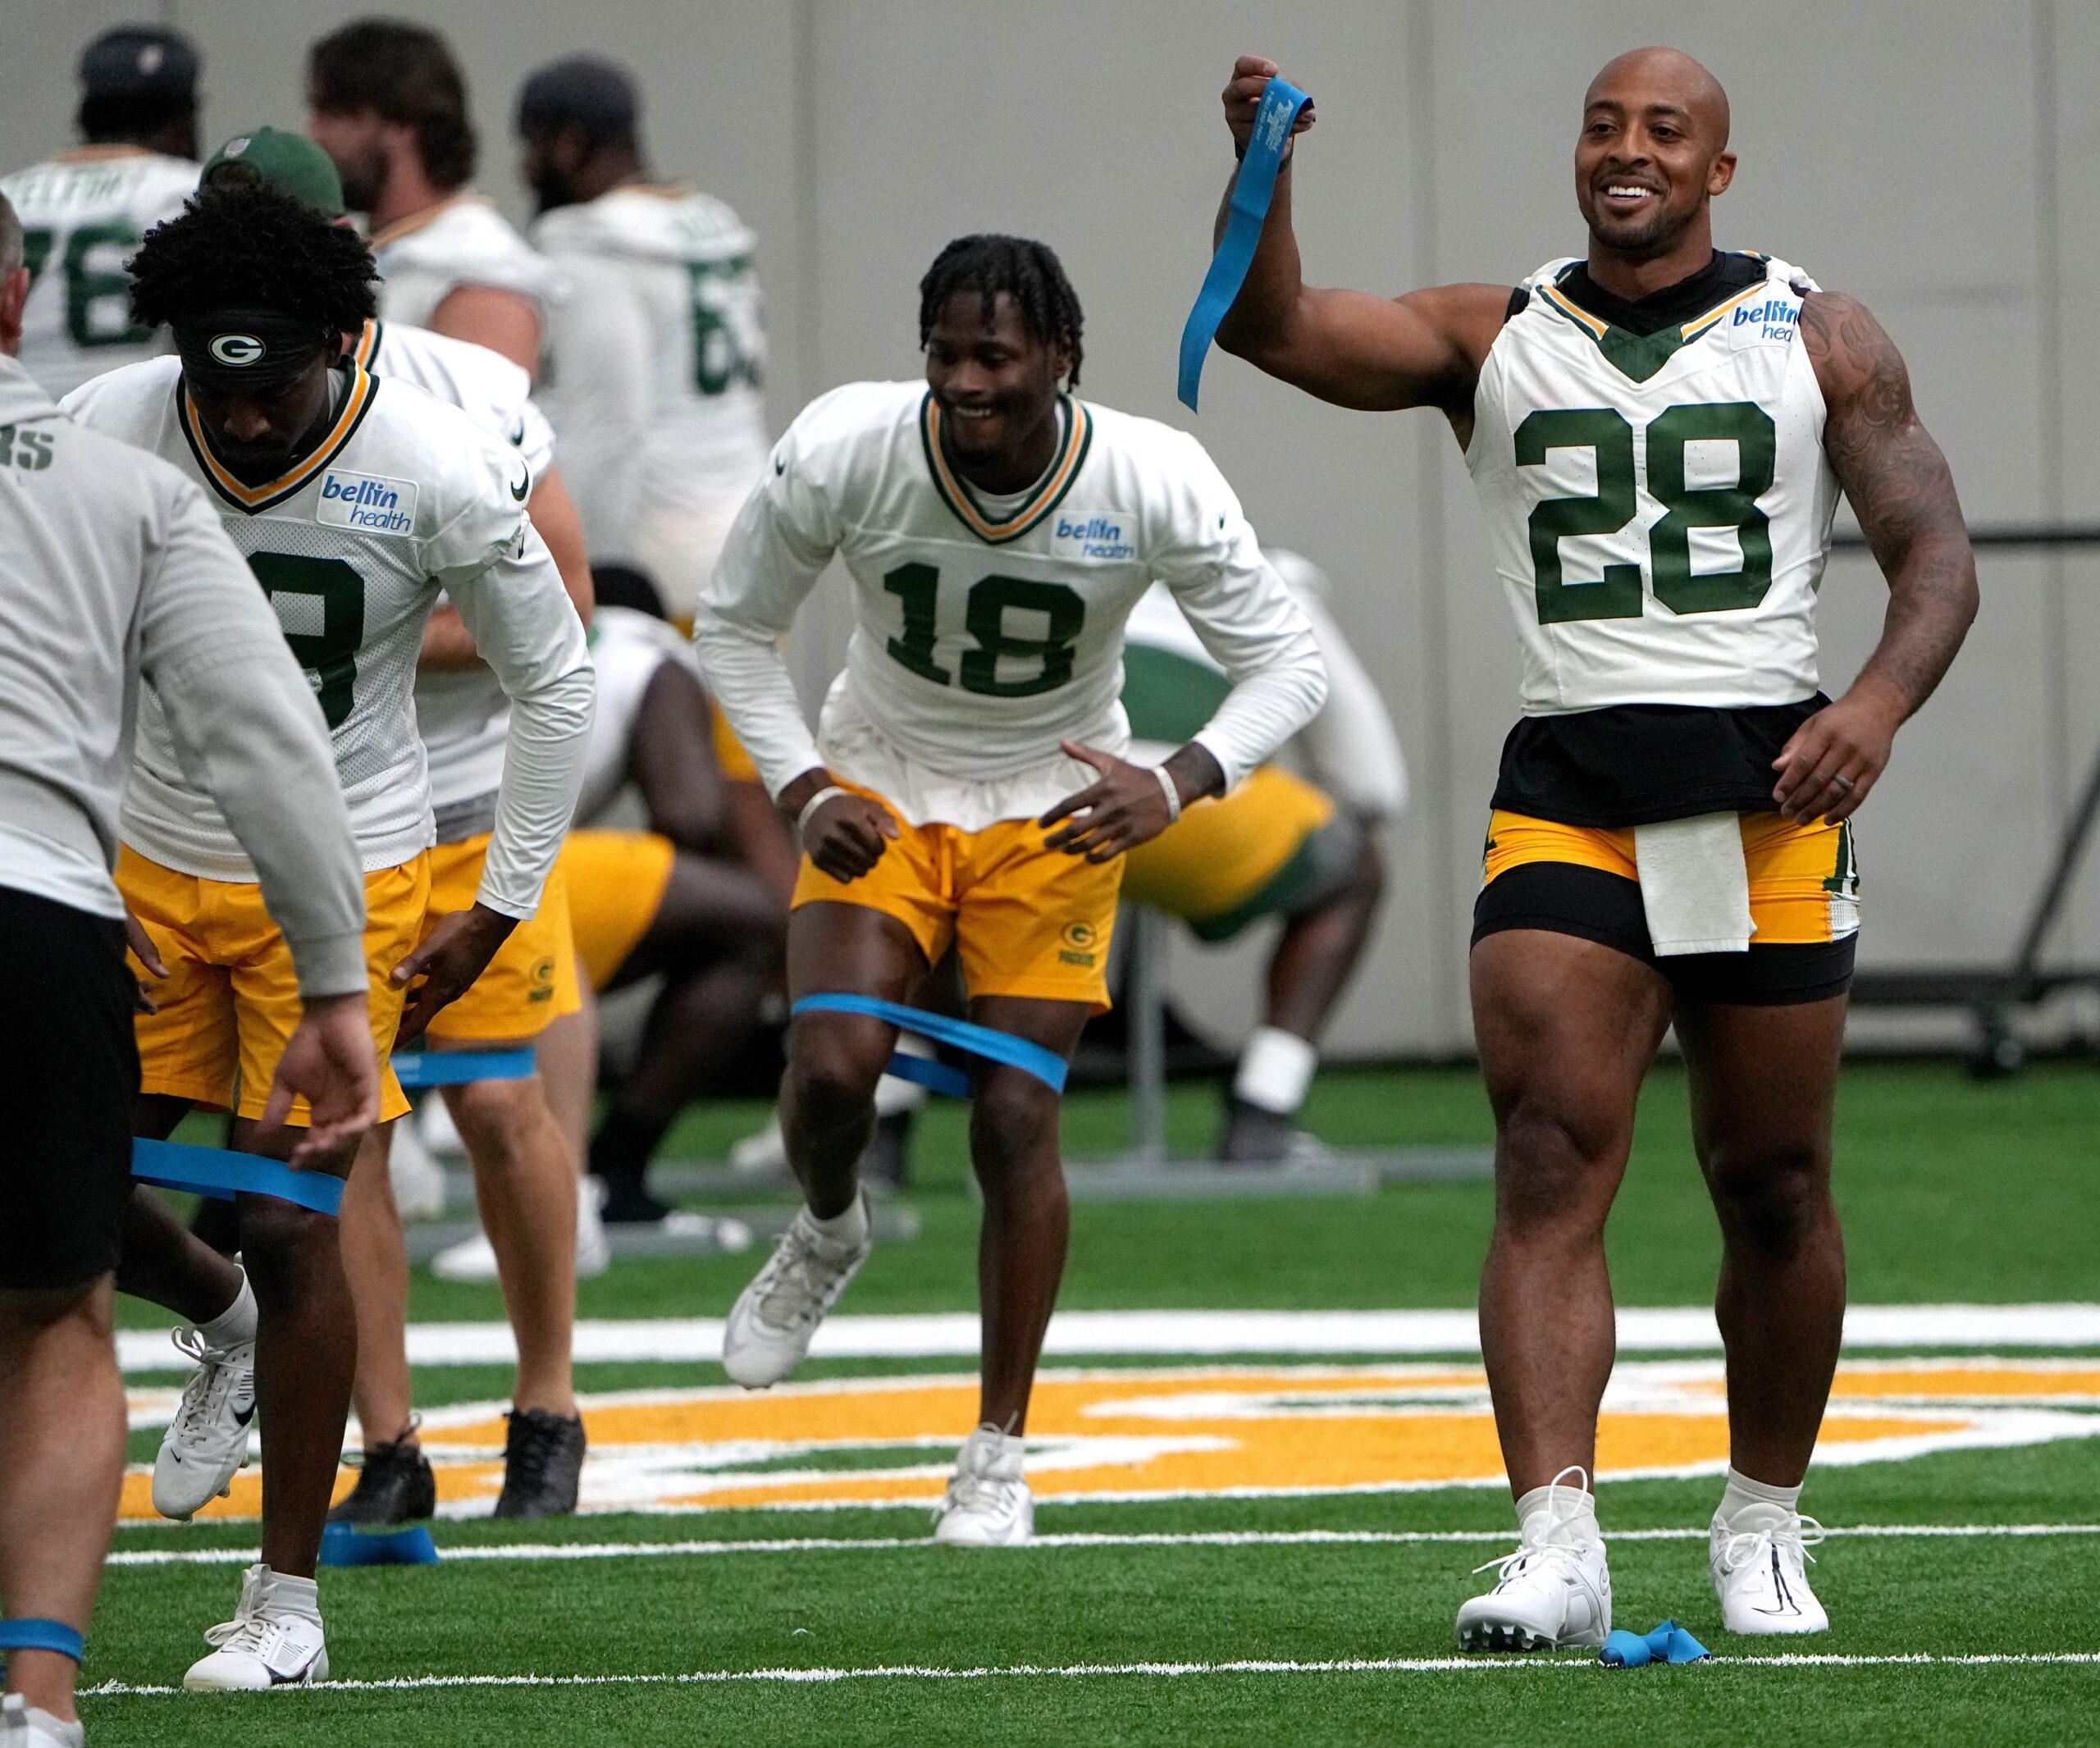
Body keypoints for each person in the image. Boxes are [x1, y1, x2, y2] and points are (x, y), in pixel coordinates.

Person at [1211, 48, 1977, 1646]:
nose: (1624, 153)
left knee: (1768, 1181)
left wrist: (1878, 708)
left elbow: (1932, 556)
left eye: (1662, 132)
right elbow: (1277, 328)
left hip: (1764, 785)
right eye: (1601, 127)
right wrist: (1257, 166)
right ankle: (1554, 1536)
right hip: (1567, 782)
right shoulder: (1496, 331)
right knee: (1549, 1153)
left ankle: (1759, 1522)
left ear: (1718, 169)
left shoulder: (1815, 331)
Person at [694, 233, 1326, 1545]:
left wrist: (1182, 777)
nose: (967, 383)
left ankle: (995, 1448)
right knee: (828, 1069)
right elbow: (733, 628)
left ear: (1060, 357)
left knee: (1011, 1118)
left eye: (995, 355)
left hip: (1053, 805)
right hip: (879, 772)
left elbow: (1288, 667)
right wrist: (807, 785)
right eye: (945, 355)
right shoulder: (850, 448)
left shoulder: (1149, 474)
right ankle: (825, 1227)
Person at [63, 183, 592, 1688]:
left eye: (270, 385)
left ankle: (285, 1605)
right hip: (145, 860)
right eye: (208, 384)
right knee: (43, 1192)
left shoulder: (432, 464)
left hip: (338, 873)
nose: (233, 421)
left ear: (348, 345)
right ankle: (219, 1318)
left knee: (295, 1218)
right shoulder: (109, 420)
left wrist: (497, 903)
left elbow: (556, 678)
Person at [0, 190, 377, 1748]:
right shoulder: (116, 475)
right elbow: (267, 737)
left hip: (85, 880)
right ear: (16, 295)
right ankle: (36, 1702)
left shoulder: (417, 450)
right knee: (48, 1316)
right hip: (45, 901)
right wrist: (338, 985)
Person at [189, 126, 604, 1525]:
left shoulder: (459, 395)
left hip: (464, 774)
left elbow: (567, 609)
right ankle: (391, 1440)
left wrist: (344, 642)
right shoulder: (175, 396)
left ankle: (547, 1402)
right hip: (281, 814)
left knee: (494, 1094)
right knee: (331, 1127)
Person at [517, 55, 769, 624]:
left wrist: (579, 576)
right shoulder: (713, 222)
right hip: (749, 536)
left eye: (531, 146)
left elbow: (606, 431)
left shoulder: (594, 246)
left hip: (660, 558)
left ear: (569, 144)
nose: (525, 167)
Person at [307, 19, 557, 377]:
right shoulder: (353, 244)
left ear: (401, 124)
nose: (314, 134)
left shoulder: (481, 270)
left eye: (333, 114)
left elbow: (485, 426)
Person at [0, 25, 202, 398]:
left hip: (15, 431)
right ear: (183, 120)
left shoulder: (7, 194)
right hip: (133, 425)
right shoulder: (191, 190)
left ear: (85, 114)